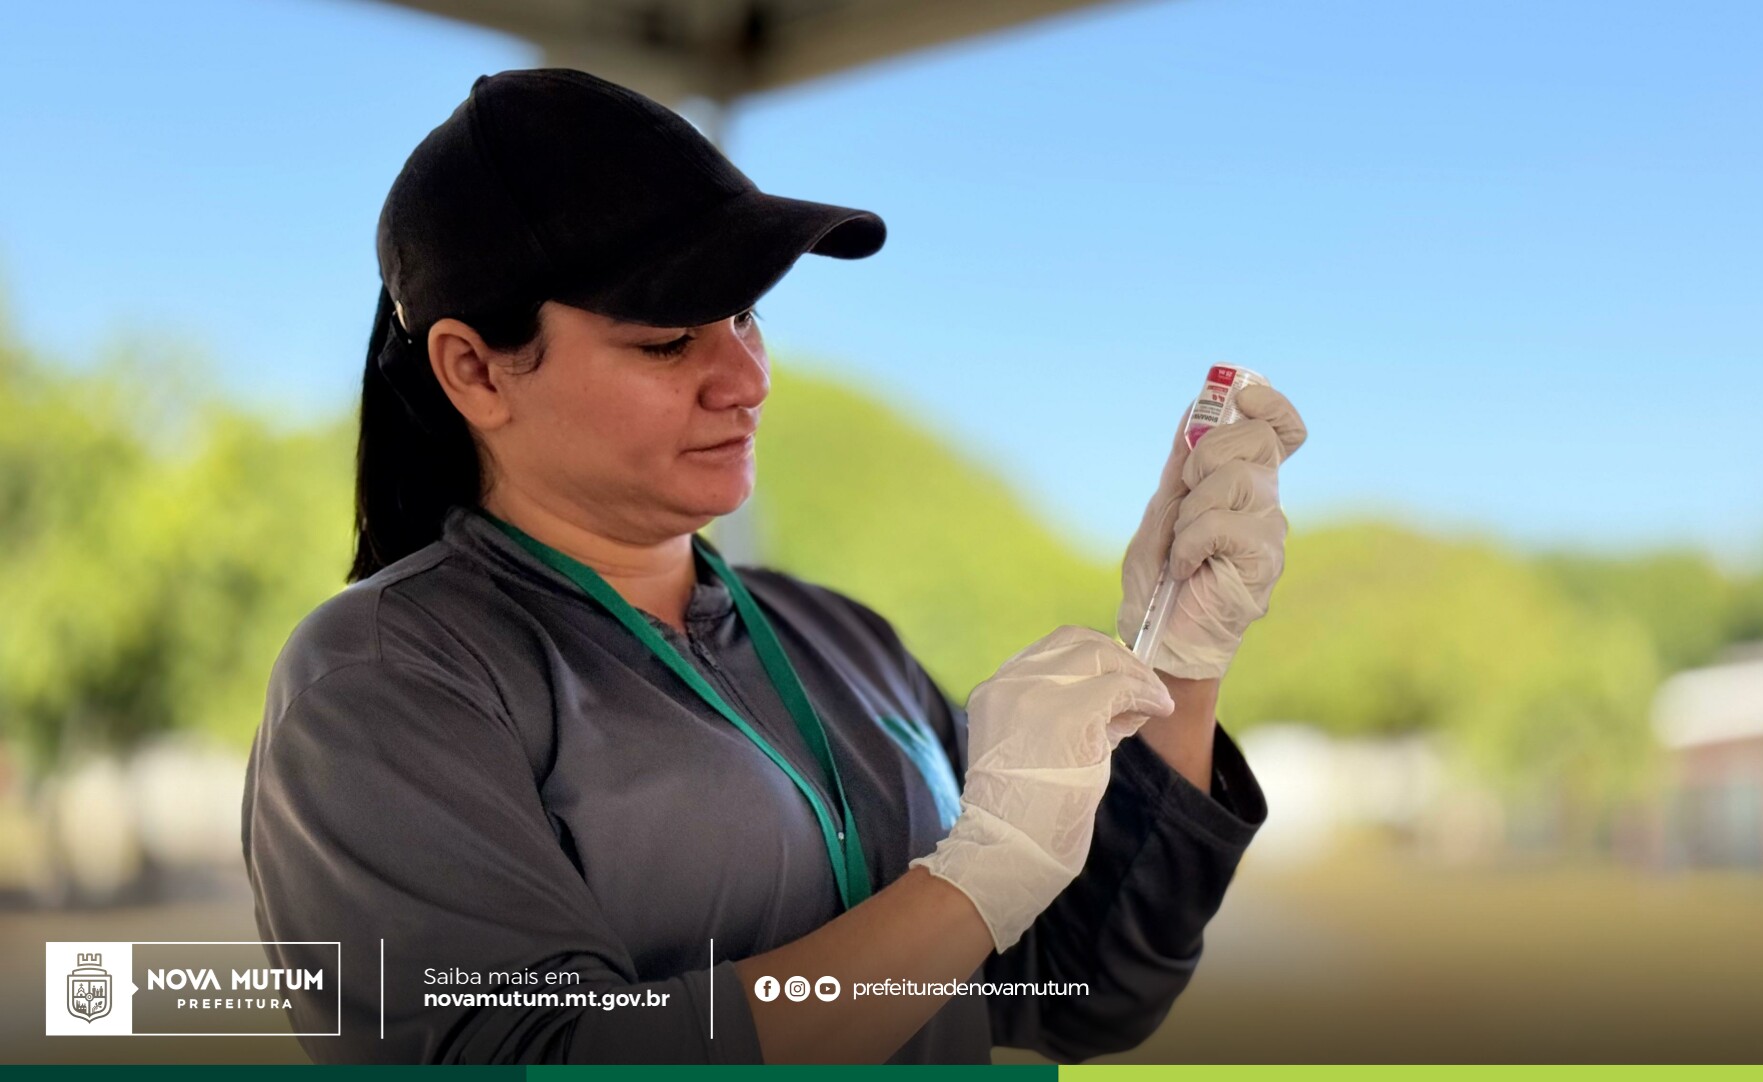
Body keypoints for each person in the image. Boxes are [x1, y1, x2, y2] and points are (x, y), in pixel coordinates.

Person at [241, 67, 1306, 1065]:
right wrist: (974, 880)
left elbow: (1080, 985)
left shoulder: (840, 640)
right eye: (667, 340)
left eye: (747, 314)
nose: (745, 378)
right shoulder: (387, 679)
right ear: (475, 369)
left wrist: (1179, 654)